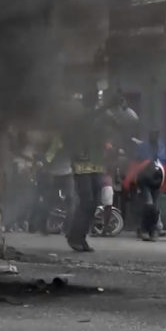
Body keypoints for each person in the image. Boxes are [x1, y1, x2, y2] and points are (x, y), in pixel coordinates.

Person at [65, 92, 110, 252]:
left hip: (96, 163)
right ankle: (74, 236)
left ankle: (81, 237)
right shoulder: (80, 115)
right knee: (87, 201)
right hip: (81, 163)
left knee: (94, 202)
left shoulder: (98, 117)